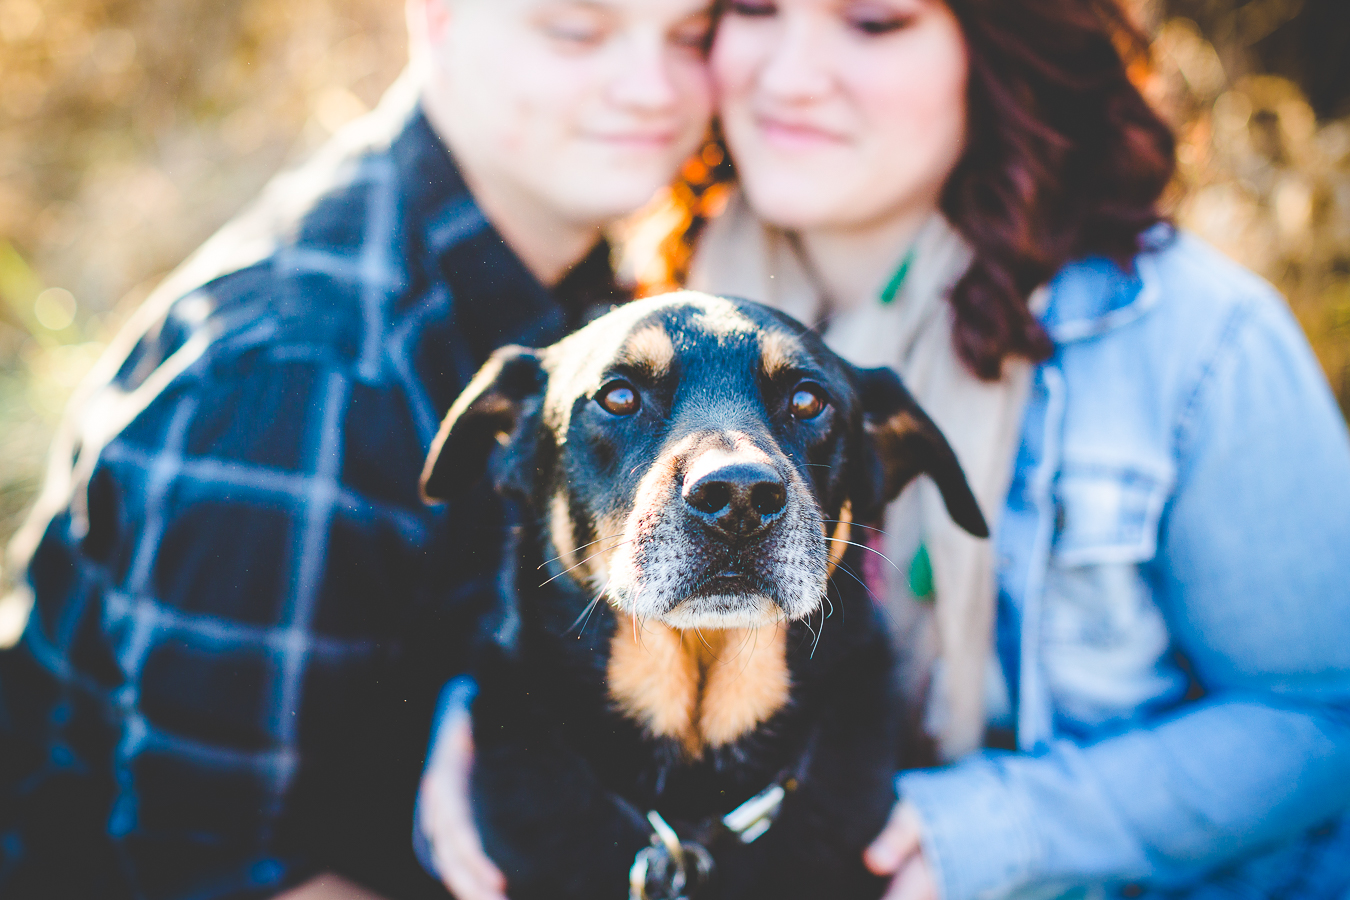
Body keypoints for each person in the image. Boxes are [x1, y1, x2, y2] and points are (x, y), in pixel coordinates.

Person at [417, 1, 1350, 899]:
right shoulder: (648, 301)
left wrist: (1005, 829)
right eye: (754, 9)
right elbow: (554, 574)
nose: (793, 75)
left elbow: (1327, 716)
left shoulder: (1189, 340)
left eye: (875, 21)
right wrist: (493, 731)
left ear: (994, 46)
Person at [0, 0, 714, 897]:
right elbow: (218, 872)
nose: (652, 89)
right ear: (440, 21)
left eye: (689, 36)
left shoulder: (561, 284)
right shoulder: (308, 377)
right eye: (576, 29)